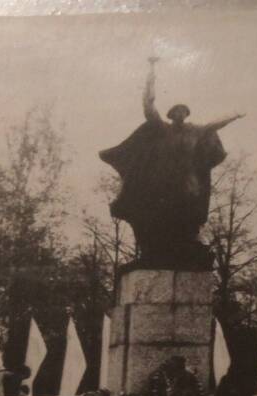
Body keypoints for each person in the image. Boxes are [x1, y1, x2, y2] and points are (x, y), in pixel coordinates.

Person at [99, 58, 244, 269]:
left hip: (188, 180)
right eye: (176, 111)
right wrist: (151, 75)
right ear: (171, 114)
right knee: (159, 212)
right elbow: (148, 105)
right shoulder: (161, 128)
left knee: (189, 212)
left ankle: (187, 245)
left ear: (186, 114)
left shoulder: (195, 130)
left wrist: (235, 115)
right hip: (163, 179)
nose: (180, 113)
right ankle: (154, 250)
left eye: (183, 111)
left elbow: (215, 124)